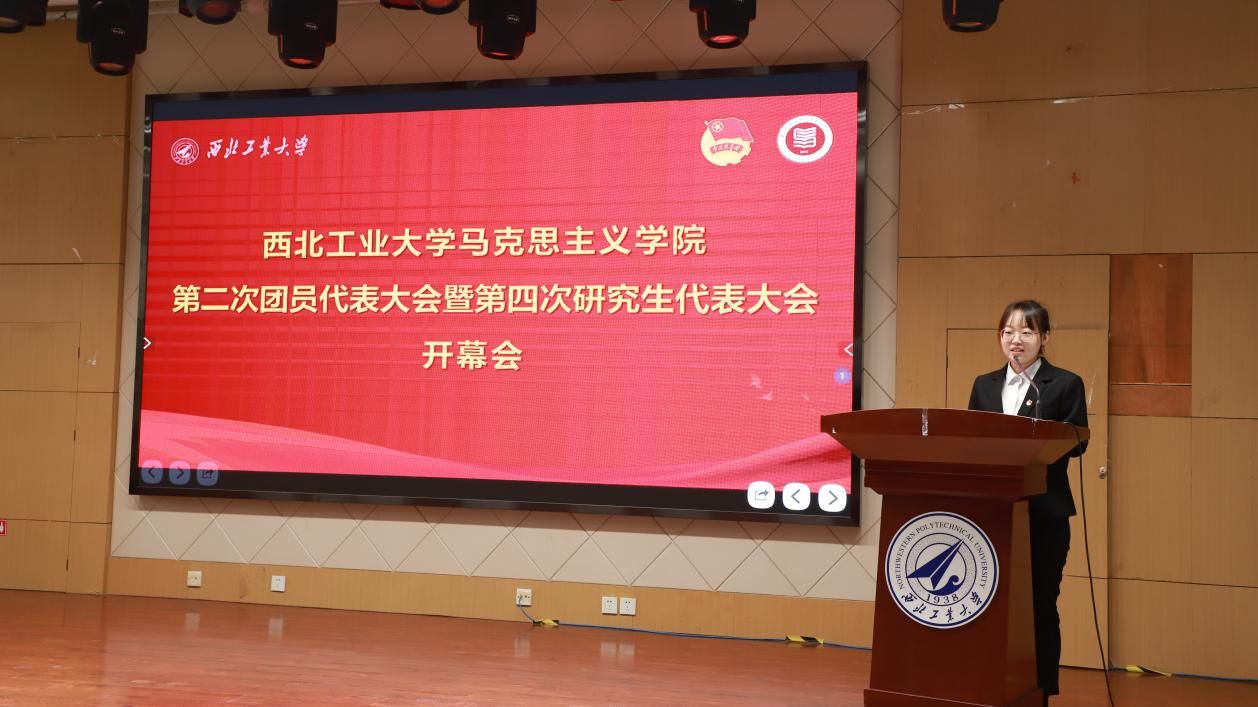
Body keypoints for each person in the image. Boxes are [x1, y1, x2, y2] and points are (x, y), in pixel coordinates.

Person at [967, 299, 1088, 706]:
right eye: (1008, 332)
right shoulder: (985, 385)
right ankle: (989, 686)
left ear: (1044, 337)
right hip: (993, 514)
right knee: (989, 606)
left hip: (1044, 514)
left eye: (1026, 332)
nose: (1015, 340)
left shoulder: (1064, 384)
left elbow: (1077, 443)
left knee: (1039, 606)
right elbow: (971, 439)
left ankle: (1040, 692)